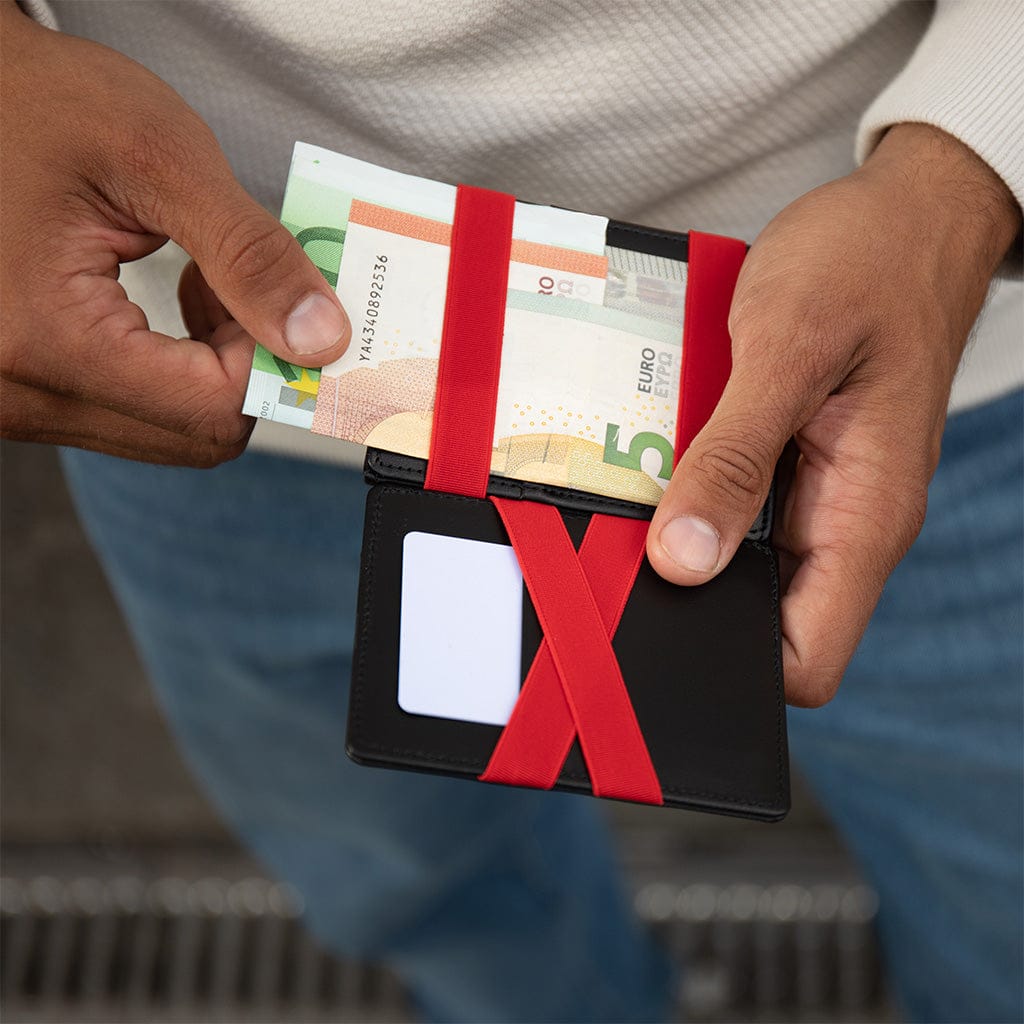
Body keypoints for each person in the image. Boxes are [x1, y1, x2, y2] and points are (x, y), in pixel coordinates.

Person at [2, 1, 1021, 1020]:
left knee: (1000, 896)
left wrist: (966, 169)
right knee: (417, 883)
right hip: (193, 359)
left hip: (873, 363)